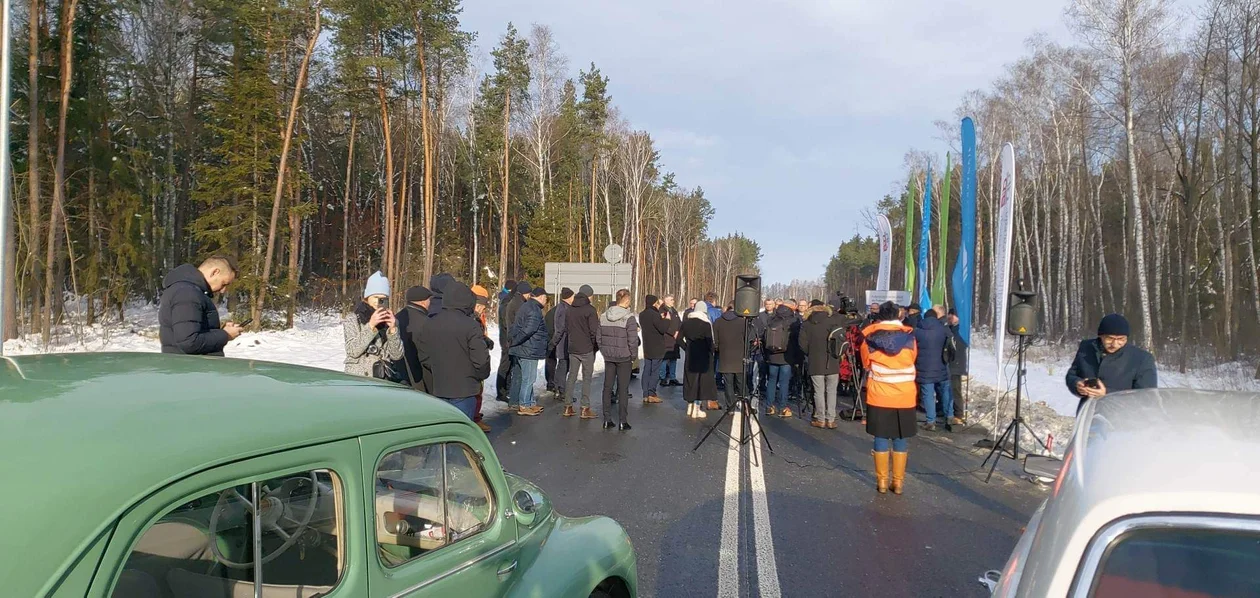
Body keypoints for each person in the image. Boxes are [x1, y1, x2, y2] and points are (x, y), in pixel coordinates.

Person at [861, 302, 918, 495]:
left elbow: (866, 363)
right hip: (905, 394)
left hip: (879, 394)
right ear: (899, 315)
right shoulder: (910, 338)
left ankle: (882, 481)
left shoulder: (869, 338)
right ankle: (899, 482)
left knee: (881, 436)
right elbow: (913, 358)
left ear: (880, 317)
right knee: (900, 436)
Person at [419, 281, 491, 421]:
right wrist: (477, 376)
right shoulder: (471, 325)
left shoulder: (430, 323)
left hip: (439, 387)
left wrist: (437, 370)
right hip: (465, 389)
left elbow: (424, 355)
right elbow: (481, 360)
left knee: (442, 433)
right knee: (460, 433)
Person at [1065, 314, 1158, 414]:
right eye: (1110, 338)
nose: (1115, 344)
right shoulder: (1086, 348)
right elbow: (1072, 375)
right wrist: (1077, 385)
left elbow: (1146, 398)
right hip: (1088, 416)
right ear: (1101, 336)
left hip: (1121, 420)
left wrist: (1107, 394)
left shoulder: (1142, 359)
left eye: (1121, 339)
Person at [159, 256, 241, 355]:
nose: (223, 290)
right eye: (223, 283)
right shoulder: (187, 293)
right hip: (190, 367)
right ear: (215, 272)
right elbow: (189, 342)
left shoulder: (188, 291)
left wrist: (219, 331)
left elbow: (191, 332)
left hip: (189, 365)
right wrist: (225, 335)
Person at [343, 271, 403, 378]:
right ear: (367, 296)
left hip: (382, 377)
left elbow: (397, 355)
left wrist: (393, 330)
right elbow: (352, 351)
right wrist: (371, 325)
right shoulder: (353, 318)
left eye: (383, 298)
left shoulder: (391, 321)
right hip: (358, 378)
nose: (378, 302)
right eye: (375, 297)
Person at [598, 289, 640, 430]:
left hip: (608, 356)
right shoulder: (629, 318)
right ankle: (623, 420)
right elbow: (633, 341)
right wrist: (632, 356)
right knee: (623, 389)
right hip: (624, 357)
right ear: (627, 301)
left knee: (607, 387)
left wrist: (604, 350)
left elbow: (598, 337)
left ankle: (606, 419)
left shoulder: (603, 316)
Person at [800, 300, 842, 429]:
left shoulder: (806, 324)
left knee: (818, 391)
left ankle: (820, 418)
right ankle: (831, 419)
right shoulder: (832, 321)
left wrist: (810, 353)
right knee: (831, 391)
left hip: (815, 360)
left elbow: (802, 344)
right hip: (832, 360)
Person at [509, 287, 550, 416]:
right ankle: (524, 405)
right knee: (529, 378)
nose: (546, 301)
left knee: (527, 377)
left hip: (524, 348)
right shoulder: (534, 310)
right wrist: (516, 341)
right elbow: (528, 330)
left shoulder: (526, 306)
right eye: (545, 298)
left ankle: (530, 402)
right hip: (529, 349)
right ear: (541, 297)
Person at [914, 306, 953, 432]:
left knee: (928, 394)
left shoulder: (917, 331)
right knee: (945, 391)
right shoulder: (943, 329)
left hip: (924, 367)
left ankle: (931, 421)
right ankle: (949, 416)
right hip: (942, 365)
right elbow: (951, 344)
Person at [564, 287, 601, 419]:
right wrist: (593, 345)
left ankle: (567, 406)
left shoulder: (570, 309)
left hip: (573, 347)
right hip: (586, 348)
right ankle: (585, 408)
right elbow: (594, 331)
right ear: (589, 296)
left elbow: (567, 328)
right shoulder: (590, 310)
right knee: (587, 378)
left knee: (572, 376)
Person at [681, 301, 718, 418]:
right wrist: (712, 351)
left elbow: (678, 339)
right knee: (701, 382)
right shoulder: (705, 324)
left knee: (690, 380)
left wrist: (686, 347)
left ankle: (689, 406)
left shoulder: (686, 322)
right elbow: (709, 341)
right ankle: (697, 408)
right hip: (703, 356)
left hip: (690, 354)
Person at [499, 281, 533, 405]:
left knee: (514, 368)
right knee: (514, 369)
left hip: (511, 339)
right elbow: (512, 324)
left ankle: (510, 394)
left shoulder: (514, 302)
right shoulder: (515, 304)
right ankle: (506, 393)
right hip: (513, 340)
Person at [395, 285, 433, 391]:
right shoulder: (426, 323)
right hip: (421, 376)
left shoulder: (396, 318)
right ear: (423, 302)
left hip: (399, 374)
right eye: (429, 300)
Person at [712, 303, 748, 411]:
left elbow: (715, 340)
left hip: (725, 356)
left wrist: (718, 349)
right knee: (741, 382)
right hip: (739, 356)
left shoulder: (718, 321)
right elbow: (748, 339)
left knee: (728, 384)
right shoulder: (743, 322)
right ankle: (745, 406)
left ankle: (730, 407)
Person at [763, 304, 796, 417]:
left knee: (771, 381)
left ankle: (769, 407)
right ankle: (782, 408)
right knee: (784, 383)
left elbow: (764, 338)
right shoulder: (792, 321)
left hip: (772, 356)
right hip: (787, 357)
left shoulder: (771, 320)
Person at [470, 284, 495, 432]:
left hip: (479, 355)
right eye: (480, 306)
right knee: (475, 390)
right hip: (474, 360)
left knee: (479, 390)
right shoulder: (471, 318)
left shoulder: (479, 317)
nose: (482, 309)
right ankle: (474, 419)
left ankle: (476, 416)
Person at [639, 295, 671, 405]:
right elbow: (662, 329)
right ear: (654, 303)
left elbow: (652, 325)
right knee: (655, 370)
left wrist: (659, 317)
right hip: (657, 346)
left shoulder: (642, 314)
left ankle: (645, 394)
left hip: (647, 346)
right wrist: (666, 320)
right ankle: (652, 393)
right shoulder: (655, 315)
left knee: (647, 369)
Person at [548, 288, 575, 403]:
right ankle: (561, 391)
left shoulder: (561, 307)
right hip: (564, 343)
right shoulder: (564, 309)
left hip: (562, 343)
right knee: (563, 367)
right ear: (568, 297)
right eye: (573, 296)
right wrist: (554, 342)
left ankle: (558, 389)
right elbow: (560, 328)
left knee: (561, 366)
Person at [945, 311, 968, 426]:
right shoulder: (949, 328)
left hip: (957, 363)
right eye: (949, 315)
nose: (949, 317)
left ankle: (958, 414)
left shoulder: (960, 330)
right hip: (951, 362)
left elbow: (961, 344)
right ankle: (952, 413)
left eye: (952, 315)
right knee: (951, 389)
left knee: (956, 389)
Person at [660, 295, 683, 386]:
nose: (673, 301)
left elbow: (679, 322)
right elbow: (663, 325)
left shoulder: (674, 311)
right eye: (671, 300)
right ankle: (662, 377)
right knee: (665, 359)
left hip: (675, 339)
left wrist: (679, 331)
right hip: (667, 338)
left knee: (674, 358)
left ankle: (672, 378)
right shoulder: (663, 311)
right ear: (666, 301)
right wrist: (673, 332)